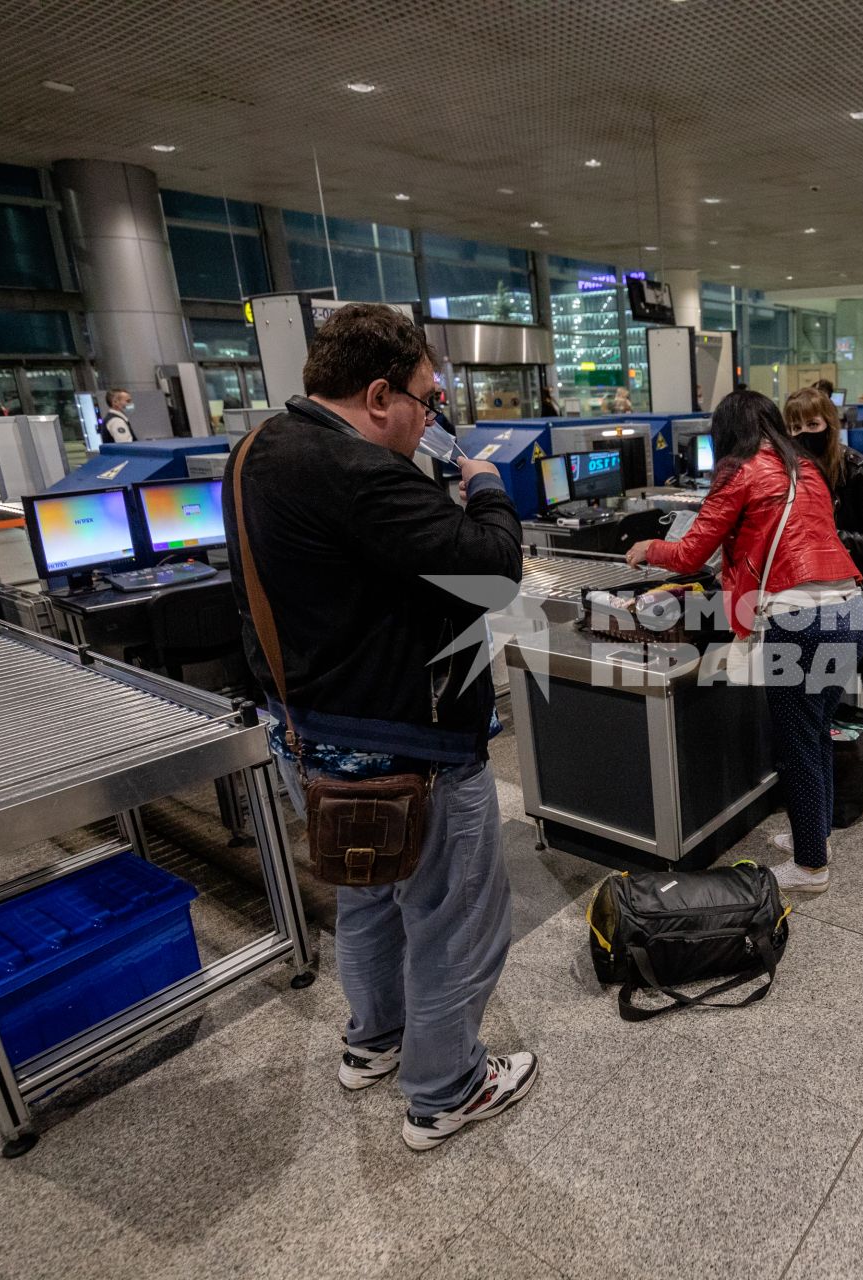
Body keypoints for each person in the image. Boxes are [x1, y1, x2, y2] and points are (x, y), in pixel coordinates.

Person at [222, 303, 536, 1151]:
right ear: (376, 394)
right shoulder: (360, 471)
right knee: (451, 916)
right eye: (427, 402)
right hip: (411, 753)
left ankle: (374, 1042)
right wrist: (485, 486)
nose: (431, 419)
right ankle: (446, 1090)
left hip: (307, 734)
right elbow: (494, 572)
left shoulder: (254, 453)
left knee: (366, 898)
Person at [628, 390, 863, 893]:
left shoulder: (740, 470)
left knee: (796, 743)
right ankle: (816, 836)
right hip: (851, 607)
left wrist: (649, 547)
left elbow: (692, 552)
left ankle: (809, 869)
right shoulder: (806, 468)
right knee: (818, 728)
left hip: (801, 621)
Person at [785, 385, 863, 804]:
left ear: (830, 425)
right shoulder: (795, 474)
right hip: (835, 592)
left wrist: (830, 537)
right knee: (830, 681)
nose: (804, 433)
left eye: (812, 424)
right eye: (794, 426)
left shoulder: (859, 471)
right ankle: (853, 756)